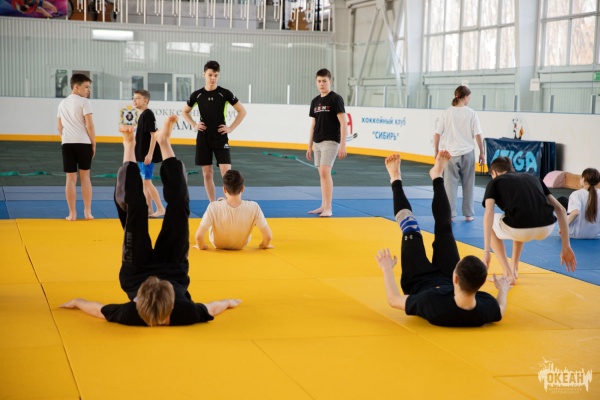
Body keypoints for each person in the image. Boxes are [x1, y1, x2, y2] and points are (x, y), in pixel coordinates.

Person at [60, 116, 241, 326]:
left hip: (136, 271)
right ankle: (164, 142)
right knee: (179, 208)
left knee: (135, 211)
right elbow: (212, 307)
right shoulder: (186, 312)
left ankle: (129, 145)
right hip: (173, 268)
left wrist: (78, 302)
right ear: (174, 303)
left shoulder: (131, 314)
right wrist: (228, 302)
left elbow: (99, 310)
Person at [375, 152, 511, 327]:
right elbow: (500, 309)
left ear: (456, 277)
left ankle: (395, 178)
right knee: (445, 227)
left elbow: (394, 300)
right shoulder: (486, 308)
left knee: (410, 227)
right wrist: (503, 291)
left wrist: (387, 269)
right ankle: (437, 175)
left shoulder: (431, 303)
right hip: (446, 276)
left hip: (418, 281)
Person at [482, 157, 577, 284]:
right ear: (512, 169)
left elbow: (489, 213)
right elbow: (560, 209)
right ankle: (513, 268)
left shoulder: (494, 182)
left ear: (493, 173)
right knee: (518, 215)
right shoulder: (533, 178)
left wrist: (486, 251)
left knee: (493, 221)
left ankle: (508, 274)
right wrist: (566, 246)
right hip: (547, 227)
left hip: (519, 228)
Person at [181, 60, 247, 203]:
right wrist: (194, 124)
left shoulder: (225, 94)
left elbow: (242, 111)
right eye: (210, 75)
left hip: (220, 137)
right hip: (203, 138)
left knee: (227, 174)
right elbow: (184, 111)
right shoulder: (197, 95)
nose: (213, 78)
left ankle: (230, 202)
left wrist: (231, 128)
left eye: (216, 75)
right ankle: (213, 204)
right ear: (204, 74)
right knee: (207, 173)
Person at [433, 85, 485, 222]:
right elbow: (478, 135)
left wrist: (436, 151)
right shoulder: (472, 113)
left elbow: (437, 134)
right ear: (465, 97)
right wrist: (482, 153)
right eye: (469, 97)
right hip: (468, 152)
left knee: (450, 185)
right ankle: (468, 214)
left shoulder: (446, 113)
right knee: (469, 184)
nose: (469, 100)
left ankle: (450, 214)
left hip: (450, 154)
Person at [194, 170, 273, 250]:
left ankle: (221, 201)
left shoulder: (213, 207)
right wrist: (264, 245)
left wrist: (202, 247)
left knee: (217, 206)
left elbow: (199, 237)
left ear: (224, 189)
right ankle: (222, 202)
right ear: (243, 189)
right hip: (241, 245)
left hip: (218, 244)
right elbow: (268, 237)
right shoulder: (254, 207)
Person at [305, 68, 348, 218]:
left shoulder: (336, 99)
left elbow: (343, 123)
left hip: (330, 141)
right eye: (319, 81)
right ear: (316, 82)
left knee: (325, 172)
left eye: (324, 81)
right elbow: (313, 125)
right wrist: (309, 145)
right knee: (321, 173)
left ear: (330, 81)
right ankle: (323, 205)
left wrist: (343, 144)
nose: (321, 84)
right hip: (317, 141)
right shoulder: (315, 101)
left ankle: (328, 207)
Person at [57, 73, 96, 221]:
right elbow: (90, 125)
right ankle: (87, 212)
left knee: (70, 179)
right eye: (86, 87)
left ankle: (72, 213)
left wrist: (65, 139)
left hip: (67, 143)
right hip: (83, 143)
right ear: (76, 87)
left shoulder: (62, 104)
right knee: (85, 177)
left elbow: (59, 127)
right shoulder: (84, 102)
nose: (88, 90)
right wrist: (94, 143)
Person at [129, 89, 165, 218]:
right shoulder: (142, 115)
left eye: (137, 98)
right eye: (133, 98)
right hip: (141, 155)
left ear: (145, 100)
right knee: (145, 182)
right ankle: (149, 208)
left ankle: (160, 208)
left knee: (147, 182)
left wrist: (149, 154)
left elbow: (153, 135)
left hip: (146, 156)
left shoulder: (148, 114)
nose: (134, 100)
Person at [557, 168, 600, 239]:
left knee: (561, 201)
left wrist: (563, 227)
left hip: (575, 234)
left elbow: (575, 213)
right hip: (595, 234)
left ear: (583, 179)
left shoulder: (576, 194)